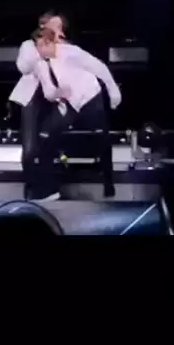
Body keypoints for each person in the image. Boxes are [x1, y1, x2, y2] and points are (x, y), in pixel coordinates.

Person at [26, 27, 121, 202]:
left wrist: (113, 90)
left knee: (102, 138)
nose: (38, 50)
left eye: (40, 45)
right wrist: (58, 93)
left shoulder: (72, 53)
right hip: (69, 104)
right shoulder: (41, 65)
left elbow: (99, 68)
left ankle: (109, 182)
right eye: (36, 46)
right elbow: (48, 93)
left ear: (49, 43)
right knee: (45, 138)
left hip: (90, 98)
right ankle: (49, 190)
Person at [9, 11, 68, 197]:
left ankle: (48, 189)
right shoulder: (28, 45)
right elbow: (23, 67)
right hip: (32, 98)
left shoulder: (63, 46)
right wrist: (39, 48)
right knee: (29, 148)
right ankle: (31, 187)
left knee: (48, 146)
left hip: (54, 100)